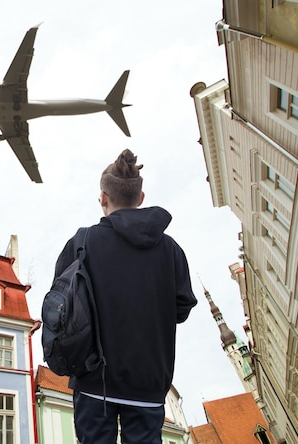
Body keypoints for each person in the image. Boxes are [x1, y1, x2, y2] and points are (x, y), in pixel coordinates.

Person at [51, 149, 197, 443]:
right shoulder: (171, 250)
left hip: (93, 380)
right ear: (140, 199)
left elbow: (59, 308)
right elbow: (181, 309)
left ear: (103, 198)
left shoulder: (81, 243)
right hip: (149, 383)